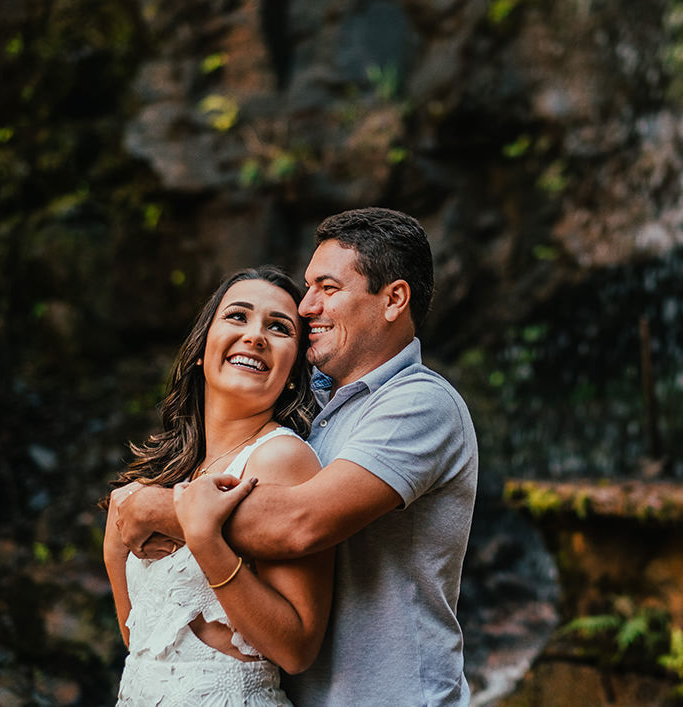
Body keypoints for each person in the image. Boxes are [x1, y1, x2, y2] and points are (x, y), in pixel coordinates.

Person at [115, 207, 479, 706]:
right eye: (308, 289)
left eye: (327, 288)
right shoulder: (315, 413)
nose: (308, 307)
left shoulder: (419, 403)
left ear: (393, 298)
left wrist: (154, 508)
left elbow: (300, 524)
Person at [103, 266, 335, 705]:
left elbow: (296, 648)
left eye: (279, 328)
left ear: (292, 371)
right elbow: (142, 646)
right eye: (237, 317)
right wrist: (115, 546)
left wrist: (205, 538)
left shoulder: (281, 458)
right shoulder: (171, 475)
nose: (255, 336)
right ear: (199, 350)